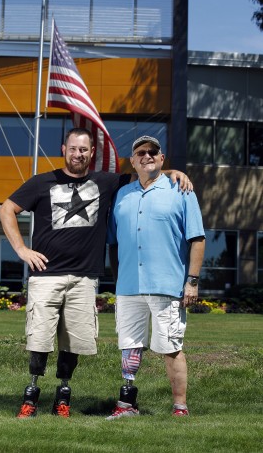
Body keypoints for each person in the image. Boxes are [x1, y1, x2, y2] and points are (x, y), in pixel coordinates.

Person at [0, 128, 192, 419]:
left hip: (84, 278)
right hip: (46, 276)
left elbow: (148, 170)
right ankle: (31, 395)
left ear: (91, 153)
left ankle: (63, 397)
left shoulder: (105, 182)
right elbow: (7, 209)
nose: (79, 154)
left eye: (84, 150)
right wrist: (22, 250)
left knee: (73, 342)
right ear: (65, 149)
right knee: (39, 339)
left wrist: (173, 170)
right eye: (74, 148)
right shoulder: (42, 182)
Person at [106, 135, 205, 420]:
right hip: (128, 287)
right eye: (141, 152)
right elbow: (113, 243)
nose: (147, 156)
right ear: (133, 161)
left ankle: (180, 407)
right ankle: (127, 405)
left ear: (162, 159)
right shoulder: (122, 195)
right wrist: (117, 279)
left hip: (168, 285)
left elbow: (197, 238)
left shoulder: (180, 190)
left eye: (153, 152)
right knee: (129, 346)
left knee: (170, 347)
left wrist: (192, 280)